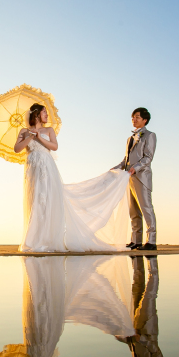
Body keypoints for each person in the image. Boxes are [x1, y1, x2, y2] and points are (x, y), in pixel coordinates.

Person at [14, 103, 131, 252]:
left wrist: (39, 137)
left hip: (47, 168)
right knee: (35, 200)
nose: (46, 115)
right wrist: (30, 137)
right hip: (32, 169)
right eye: (44, 112)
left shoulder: (49, 130)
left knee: (48, 199)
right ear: (36, 114)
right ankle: (33, 239)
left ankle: (48, 239)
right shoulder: (24, 131)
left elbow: (54, 147)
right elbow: (17, 149)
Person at [116, 255, 166, 357]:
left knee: (136, 286)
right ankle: (152, 259)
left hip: (134, 327)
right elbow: (155, 351)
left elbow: (132, 346)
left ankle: (137, 259)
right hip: (147, 327)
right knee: (150, 292)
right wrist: (141, 338)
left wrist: (119, 336)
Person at [113, 107, 157, 251]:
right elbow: (126, 159)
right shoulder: (129, 139)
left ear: (145, 120)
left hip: (142, 177)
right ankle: (136, 240)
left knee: (146, 208)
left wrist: (135, 168)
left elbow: (148, 157)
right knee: (133, 211)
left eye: (137, 117)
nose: (134, 119)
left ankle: (151, 240)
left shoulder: (150, 135)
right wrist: (117, 168)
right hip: (129, 178)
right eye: (133, 117)